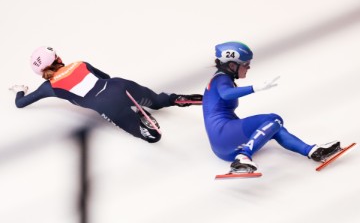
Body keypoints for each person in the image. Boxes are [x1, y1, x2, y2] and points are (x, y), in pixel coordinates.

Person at [9, 46, 202, 143]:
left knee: (150, 137)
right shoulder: (79, 63)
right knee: (158, 100)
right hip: (118, 84)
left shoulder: (48, 87)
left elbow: (21, 103)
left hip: (105, 104)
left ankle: (141, 122)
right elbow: (105, 76)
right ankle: (174, 99)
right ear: (58, 58)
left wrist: (20, 90)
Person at [202, 41, 340, 173]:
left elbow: (209, 102)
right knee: (273, 119)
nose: (249, 67)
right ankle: (243, 157)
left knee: (275, 126)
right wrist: (255, 88)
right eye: (246, 64)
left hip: (224, 145)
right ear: (232, 66)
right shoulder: (221, 79)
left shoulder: (219, 80)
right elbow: (226, 94)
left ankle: (313, 151)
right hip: (223, 133)